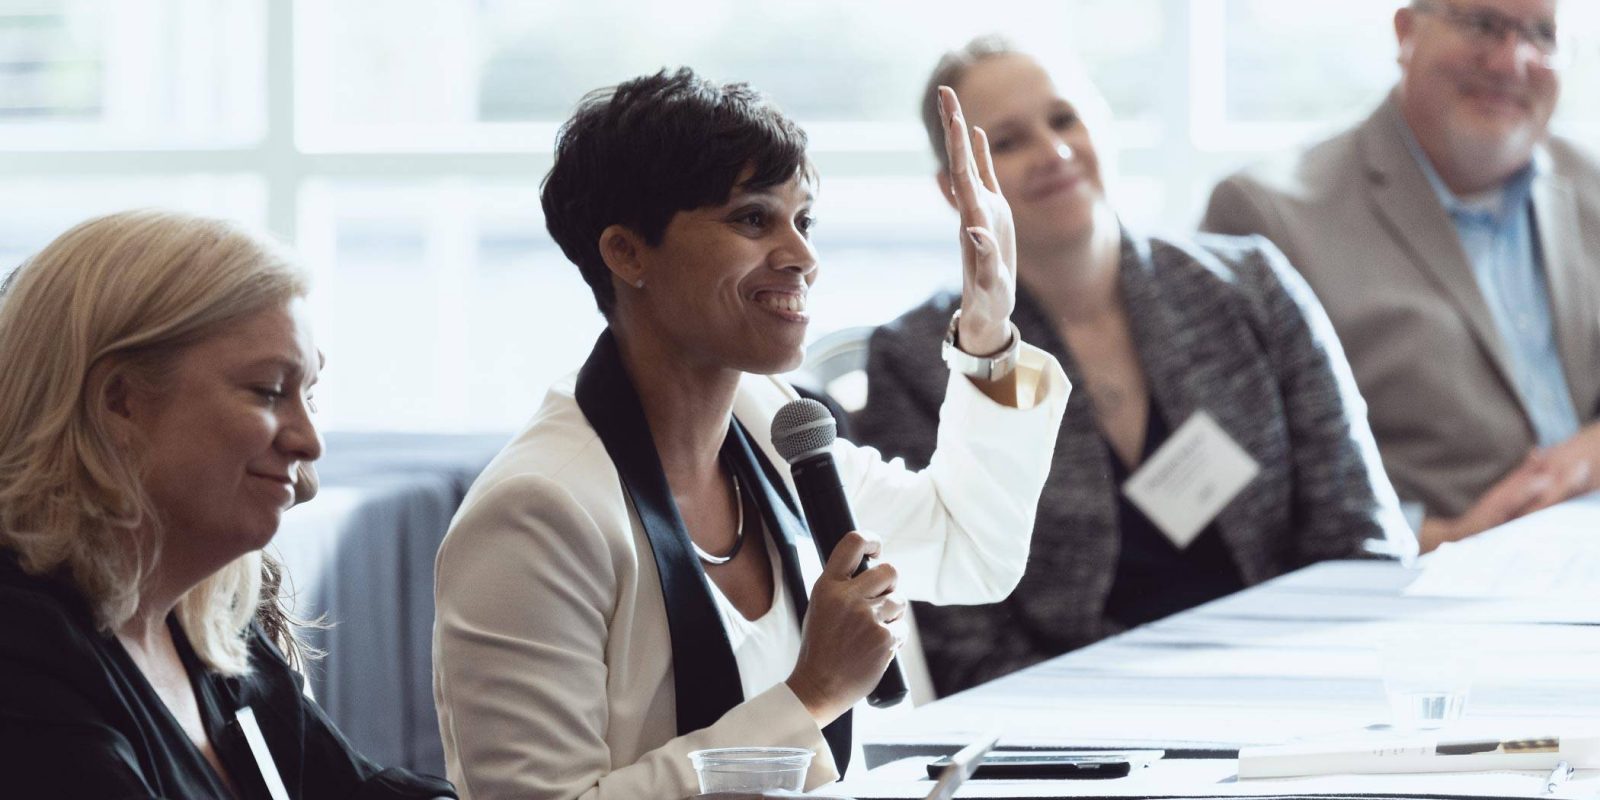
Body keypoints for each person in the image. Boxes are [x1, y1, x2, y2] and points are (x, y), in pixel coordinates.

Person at [430, 67, 1070, 799]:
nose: (801, 256)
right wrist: (812, 695)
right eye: (753, 219)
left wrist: (989, 332)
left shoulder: (773, 427)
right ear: (626, 252)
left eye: (804, 220)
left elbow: (971, 549)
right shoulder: (536, 513)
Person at [853, 38, 1413, 697]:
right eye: (1007, 142)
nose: (1054, 153)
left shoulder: (1250, 286)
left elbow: (1359, 537)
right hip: (1076, 724)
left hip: (1293, 679)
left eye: (1065, 120)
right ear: (957, 189)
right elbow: (963, 645)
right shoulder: (918, 359)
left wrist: (1313, 682)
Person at [0, 210, 456, 799]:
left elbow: (359, 792)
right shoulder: (21, 648)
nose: (310, 441)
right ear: (119, 403)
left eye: (308, 396)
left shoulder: (207, 623)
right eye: (269, 391)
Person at [1203, 0, 1600, 552]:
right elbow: (1227, 480)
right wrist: (1439, 538)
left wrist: (1587, 455)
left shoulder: (1592, 182)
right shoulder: (1270, 216)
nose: (1513, 62)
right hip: (1420, 589)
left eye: (1542, 33)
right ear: (1406, 30)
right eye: (1482, 24)